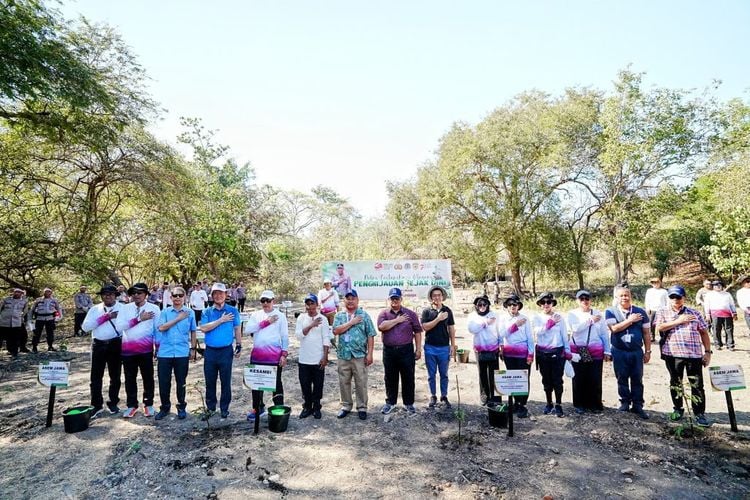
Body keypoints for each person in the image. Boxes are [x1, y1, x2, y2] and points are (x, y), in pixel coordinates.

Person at [655, 285, 712, 427]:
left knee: (697, 385)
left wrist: (708, 352)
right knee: (676, 383)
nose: (676, 300)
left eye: (678, 297)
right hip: (673, 355)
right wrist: (679, 321)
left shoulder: (695, 313)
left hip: (694, 355)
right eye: (672, 297)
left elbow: (704, 333)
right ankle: (678, 409)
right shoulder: (662, 312)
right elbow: (659, 328)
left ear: (684, 298)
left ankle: (699, 413)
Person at [606, 286, 652, 419]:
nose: (624, 298)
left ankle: (638, 405)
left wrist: (648, 351)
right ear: (616, 298)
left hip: (636, 351)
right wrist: (630, 320)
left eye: (627, 295)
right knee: (621, 377)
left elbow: (646, 333)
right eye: (621, 296)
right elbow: (614, 328)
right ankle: (624, 402)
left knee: (637, 378)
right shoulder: (611, 311)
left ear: (630, 296)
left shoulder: (640, 312)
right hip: (619, 350)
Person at [199, 282, 242, 420]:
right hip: (210, 351)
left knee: (225, 380)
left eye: (221, 293)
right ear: (212, 296)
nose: (218, 296)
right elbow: (204, 328)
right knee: (210, 381)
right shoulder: (207, 311)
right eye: (215, 293)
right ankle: (211, 408)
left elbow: (237, 328)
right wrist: (221, 320)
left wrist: (239, 344)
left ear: (226, 295)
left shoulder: (233, 310)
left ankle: (224, 408)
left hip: (226, 351)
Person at [377, 287, 422, 415]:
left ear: (401, 299)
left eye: (397, 298)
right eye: (392, 298)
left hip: (406, 350)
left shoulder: (410, 314)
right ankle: (390, 403)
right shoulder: (384, 314)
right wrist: (397, 320)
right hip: (389, 351)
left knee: (408, 377)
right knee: (390, 377)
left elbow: (418, 331)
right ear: (389, 299)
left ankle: (409, 404)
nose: (394, 301)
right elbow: (382, 327)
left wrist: (418, 349)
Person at [244, 290, 289, 421]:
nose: (265, 303)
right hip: (257, 356)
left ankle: (279, 408)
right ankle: (258, 408)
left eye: (268, 300)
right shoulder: (256, 315)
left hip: (274, 357)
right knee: (256, 383)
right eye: (263, 301)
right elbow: (248, 330)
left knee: (276, 383)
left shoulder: (280, 316)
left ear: (273, 301)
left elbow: (285, 337)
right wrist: (265, 322)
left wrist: (284, 355)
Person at [82, 285, 125, 417]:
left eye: (111, 294)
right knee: (95, 377)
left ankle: (113, 402)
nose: (108, 296)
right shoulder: (95, 309)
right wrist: (105, 318)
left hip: (115, 343)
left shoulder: (123, 308)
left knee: (115, 375)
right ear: (101, 296)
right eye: (105, 294)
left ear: (115, 295)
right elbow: (85, 327)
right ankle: (96, 405)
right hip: (98, 345)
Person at [154, 286, 197, 420]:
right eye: (175, 295)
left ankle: (181, 407)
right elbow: (161, 327)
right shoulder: (165, 312)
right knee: (164, 382)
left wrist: (193, 349)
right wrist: (179, 318)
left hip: (182, 352)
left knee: (181, 381)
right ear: (171, 297)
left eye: (180, 295)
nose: (177, 298)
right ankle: (165, 407)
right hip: (165, 353)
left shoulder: (190, 312)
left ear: (184, 297)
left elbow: (193, 331)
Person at [332, 289, 376, 420]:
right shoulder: (339, 316)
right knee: (343, 380)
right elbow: (336, 331)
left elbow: (370, 335)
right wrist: (351, 322)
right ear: (344, 300)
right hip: (343, 354)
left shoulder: (364, 315)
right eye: (348, 298)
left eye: (353, 298)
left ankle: (362, 407)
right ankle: (346, 405)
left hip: (359, 355)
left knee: (361, 381)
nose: (350, 301)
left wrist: (370, 354)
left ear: (357, 300)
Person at [567, 290, 611, 414]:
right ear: (577, 301)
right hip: (578, 349)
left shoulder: (598, 314)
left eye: (587, 299)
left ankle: (595, 404)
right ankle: (579, 404)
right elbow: (575, 329)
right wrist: (590, 321)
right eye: (582, 299)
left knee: (595, 377)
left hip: (595, 350)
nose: (585, 302)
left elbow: (603, 333)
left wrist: (607, 350)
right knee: (579, 377)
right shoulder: (572, 314)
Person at [119, 283, 159, 418]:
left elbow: (157, 329)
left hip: (146, 350)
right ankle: (131, 405)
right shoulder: (125, 309)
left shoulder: (153, 308)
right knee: (130, 378)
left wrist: (157, 347)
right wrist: (138, 319)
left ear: (146, 294)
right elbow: (120, 327)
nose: (136, 295)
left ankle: (148, 404)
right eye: (134, 293)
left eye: (140, 293)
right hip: (128, 350)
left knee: (148, 377)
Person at [532, 292, 571, 417]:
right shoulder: (537, 318)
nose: (546, 305)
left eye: (548, 302)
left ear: (552, 304)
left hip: (557, 352)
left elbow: (564, 335)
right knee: (546, 380)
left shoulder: (559, 317)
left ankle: (558, 404)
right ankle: (549, 403)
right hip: (543, 353)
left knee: (557, 380)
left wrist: (568, 350)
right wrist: (550, 323)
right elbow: (538, 332)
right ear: (540, 305)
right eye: (543, 302)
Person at [498, 294, 534, 417]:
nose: (513, 306)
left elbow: (530, 337)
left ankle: (522, 404)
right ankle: (514, 402)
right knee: (512, 378)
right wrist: (515, 326)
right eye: (510, 304)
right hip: (509, 354)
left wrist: (530, 354)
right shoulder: (503, 319)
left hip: (522, 353)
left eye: (515, 304)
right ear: (507, 307)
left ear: (519, 306)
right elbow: (502, 334)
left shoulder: (525, 319)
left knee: (523, 378)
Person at [420, 285, 456, 408]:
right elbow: (425, 327)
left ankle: (444, 395)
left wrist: (453, 345)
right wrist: (438, 319)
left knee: (444, 374)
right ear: (431, 297)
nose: (437, 297)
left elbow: (451, 328)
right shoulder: (426, 311)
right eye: (434, 295)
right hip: (430, 347)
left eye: (439, 295)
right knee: (431, 374)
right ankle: (433, 395)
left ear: (442, 297)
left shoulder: (447, 311)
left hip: (444, 347)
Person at [295, 294, 330, 419]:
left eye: (312, 304)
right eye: (308, 304)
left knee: (318, 384)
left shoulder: (323, 319)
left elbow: (326, 338)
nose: (310, 307)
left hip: (318, 358)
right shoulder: (301, 318)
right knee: (305, 383)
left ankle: (316, 406)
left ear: (317, 305)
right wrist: (311, 325)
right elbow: (299, 336)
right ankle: (307, 406)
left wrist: (325, 356)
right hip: (304, 358)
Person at [704, 280, 737, 351]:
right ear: (713, 287)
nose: (718, 287)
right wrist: (707, 314)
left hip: (727, 314)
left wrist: (734, 313)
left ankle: (730, 345)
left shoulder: (727, 294)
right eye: (716, 285)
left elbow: (732, 304)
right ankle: (718, 344)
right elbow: (706, 305)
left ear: (722, 286)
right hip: (715, 314)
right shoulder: (709, 294)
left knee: (729, 330)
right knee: (716, 330)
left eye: (720, 285)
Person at [30, 287, 62, 353]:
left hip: (50, 318)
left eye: (49, 291)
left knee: (50, 333)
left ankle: (50, 346)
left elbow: (58, 309)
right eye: (46, 291)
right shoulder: (38, 300)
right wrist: (30, 319)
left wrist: (59, 317)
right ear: (43, 293)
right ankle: (34, 347)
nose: (47, 293)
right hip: (39, 318)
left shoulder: (54, 300)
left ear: (51, 293)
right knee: (37, 333)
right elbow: (32, 310)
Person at [0, 288, 29, 358]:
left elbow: (25, 311)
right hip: (4, 322)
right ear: (13, 293)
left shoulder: (24, 301)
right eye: (16, 292)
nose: (17, 293)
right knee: (2, 337)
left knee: (15, 338)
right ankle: (9, 350)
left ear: (21, 294)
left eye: (19, 292)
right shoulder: (6, 299)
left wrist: (20, 317)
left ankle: (14, 353)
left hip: (16, 323)